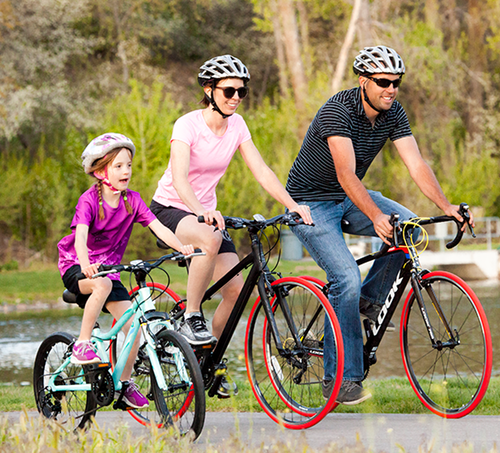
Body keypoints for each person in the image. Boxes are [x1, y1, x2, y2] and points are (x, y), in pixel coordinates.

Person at [285, 46, 474, 405]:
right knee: (345, 278)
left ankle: (366, 303)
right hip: (309, 202)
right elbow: (345, 173)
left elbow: (416, 164)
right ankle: (340, 380)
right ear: (363, 81)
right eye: (383, 82)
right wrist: (374, 215)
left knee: (410, 230)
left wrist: (447, 206)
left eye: (396, 83)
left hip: (347, 196)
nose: (391, 89)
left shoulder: (393, 112)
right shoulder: (338, 111)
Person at [149, 55, 312, 397]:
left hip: (206, 215)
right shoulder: (187, 125)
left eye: (242, 91)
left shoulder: (237, 125)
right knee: (209, 238)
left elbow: (261, 170)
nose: (236, 97)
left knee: (236, 292)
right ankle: (192, 315)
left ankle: (209, 363)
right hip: (170, 209)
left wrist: (292, 204)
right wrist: (200, 211)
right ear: (209, 90)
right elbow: (179, 179)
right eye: (229, 91)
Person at [57, 132, 196, 409]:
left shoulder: (132, 200)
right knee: (103, 285)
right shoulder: (89, 201)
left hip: (109, 272)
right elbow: (80, 238)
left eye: (128, 165)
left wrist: (181, 246)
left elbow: (158, 227)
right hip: (77, 266)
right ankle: (82, 343)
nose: (126, 171)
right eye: (118, 166)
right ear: (101, 172)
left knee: (134, 326)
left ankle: (123, 383)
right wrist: (85, 265)